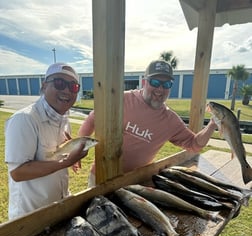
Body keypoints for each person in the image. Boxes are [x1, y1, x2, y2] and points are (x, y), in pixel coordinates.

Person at [78, 59, 217, 186]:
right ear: (144, 82)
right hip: (101, 177)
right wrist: (78, 150)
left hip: (134, 183)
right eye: (155, 82)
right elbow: (92, 119)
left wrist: (212, 124)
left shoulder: (170, 120)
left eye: (166, 84)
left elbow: (195, 145)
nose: (160, 89)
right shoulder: (122, 99)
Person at [5, 62, 88, 220]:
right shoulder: (24, 119)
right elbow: (17, 172)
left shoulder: (64, 120)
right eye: (59, 83)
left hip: (57, 207)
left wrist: (70, 154)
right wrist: (66, 162)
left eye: (73, 86)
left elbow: (52, 156)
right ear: (44, 86)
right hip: (30, 217)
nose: (66, 90)